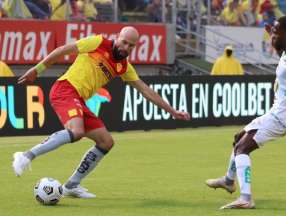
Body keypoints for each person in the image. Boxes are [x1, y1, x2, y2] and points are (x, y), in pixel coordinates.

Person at [13, 26, 190, 198]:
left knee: (106, 142)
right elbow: (62, 50)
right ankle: (25, 156)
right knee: (77, 131)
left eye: (131, 45)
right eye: (124, 42)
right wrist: (37, 70)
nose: (126, 48)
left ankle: (71, 186)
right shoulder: (97, 42)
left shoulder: (123, 67)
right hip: (65, 89)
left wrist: (172, 111)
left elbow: (145, 90)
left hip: (79, 100)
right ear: (117, 37)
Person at [206, 16, 286, 209]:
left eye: (276, 32)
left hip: (282, 117)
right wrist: (273, 35)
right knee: (238, 138)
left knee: (242, 148)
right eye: (272, 32)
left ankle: (246, 199)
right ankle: (229, 180)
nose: (272, 35)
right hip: (276, 113)